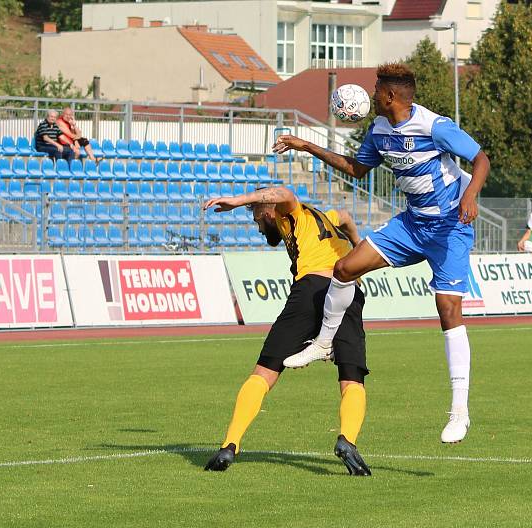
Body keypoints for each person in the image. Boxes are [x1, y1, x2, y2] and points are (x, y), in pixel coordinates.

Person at [273, 63, 490, 444]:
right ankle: (324, 343)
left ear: (391, 96)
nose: (372, 95)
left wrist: (470, 195)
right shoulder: (378, 130)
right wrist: (307, 146)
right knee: (344, 268)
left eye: (377, 91)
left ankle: (460, 412)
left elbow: (481, 159)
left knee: (448, 309)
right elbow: (356, 169)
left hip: (451, 226)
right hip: (412, 223)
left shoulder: (434, 126)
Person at [201, 186, 372, 476]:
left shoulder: (288, 212)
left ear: (267, 208)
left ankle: (230, 444)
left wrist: (240, 200)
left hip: (313, 289)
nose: (258, 227)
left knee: (264, 372)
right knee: (352, 377)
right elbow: (344, 216)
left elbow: (284, 191)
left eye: (256, 217)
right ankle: (348, 441)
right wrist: (358, 251)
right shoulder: (319, 216)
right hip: (348, 292)